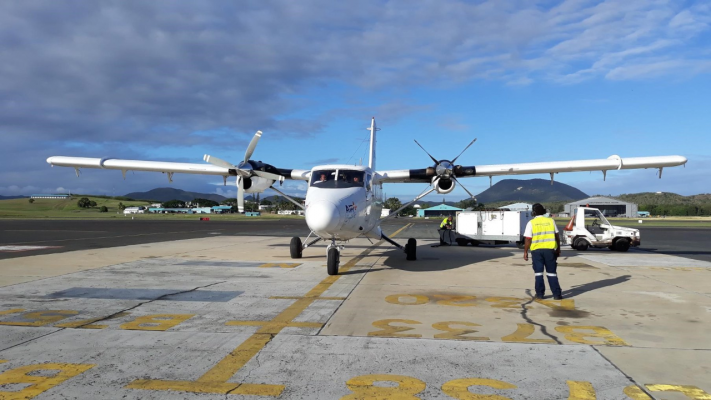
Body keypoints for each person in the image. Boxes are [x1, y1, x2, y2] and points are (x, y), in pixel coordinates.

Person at [523, 203, 563, 300]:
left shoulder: (531, 223)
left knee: (539, 273)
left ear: (533, 212)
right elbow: (557, 236)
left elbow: (528, 239)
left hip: (537, 251)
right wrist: (558, 248)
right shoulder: (551, 221)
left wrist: (525, 252)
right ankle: (557, 294)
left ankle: (540, 294)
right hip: (550, 250)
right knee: (552, 273)